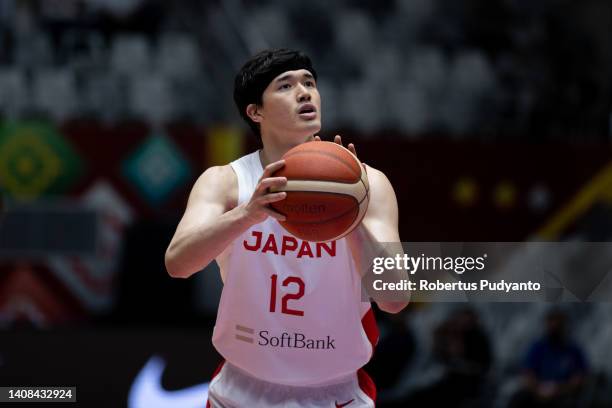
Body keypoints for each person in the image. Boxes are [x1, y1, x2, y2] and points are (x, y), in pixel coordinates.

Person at [165, 48, 408, 407]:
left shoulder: (369, 185)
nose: (304, 92)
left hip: (334, 394)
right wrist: (246, 214)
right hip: (241, 390)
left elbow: (395, 298)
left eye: (310, 83)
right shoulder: (226, 183)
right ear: (255, 111)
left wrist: (352, 218)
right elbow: (177, 264)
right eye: (286, 86)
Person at [509, 309, 588, 408]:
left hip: (564, 393)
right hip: (538, 391)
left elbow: (580, 376)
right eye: (551, 323)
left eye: (558, 324)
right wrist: (539, 389)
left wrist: (559, 389)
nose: (554, 326)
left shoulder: (573, 350)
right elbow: (527, 373)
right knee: (518, 398)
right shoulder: (537, 348)